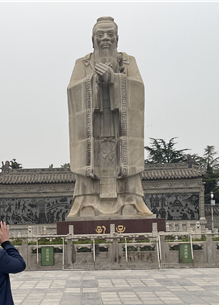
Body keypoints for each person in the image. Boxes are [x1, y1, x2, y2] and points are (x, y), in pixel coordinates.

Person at [67, 16, 154, 218]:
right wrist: (93, 82)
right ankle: (87, 202)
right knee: (89, 162)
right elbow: (73, 92)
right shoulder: (83, 64)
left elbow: (138, 89)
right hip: (93, 127)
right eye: (100, 34)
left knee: (125, 161)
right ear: (93, 39)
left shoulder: (128, 61)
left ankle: (130, 201)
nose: (105, 38)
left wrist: (115, 79)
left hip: (119, 126)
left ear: (117, 38)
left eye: (110, 34)